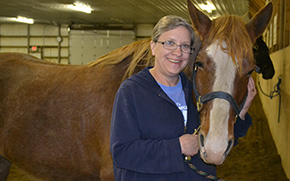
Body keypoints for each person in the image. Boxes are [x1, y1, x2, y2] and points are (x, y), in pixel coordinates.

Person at [110, 15, 256, 180]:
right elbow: (122, 153)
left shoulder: (194, 90)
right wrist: (177, 147)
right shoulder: (131, 91)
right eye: (169, 43)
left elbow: (214, 143)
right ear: (153, 47)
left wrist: (241, 112)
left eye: (185, 46)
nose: (178, 52)